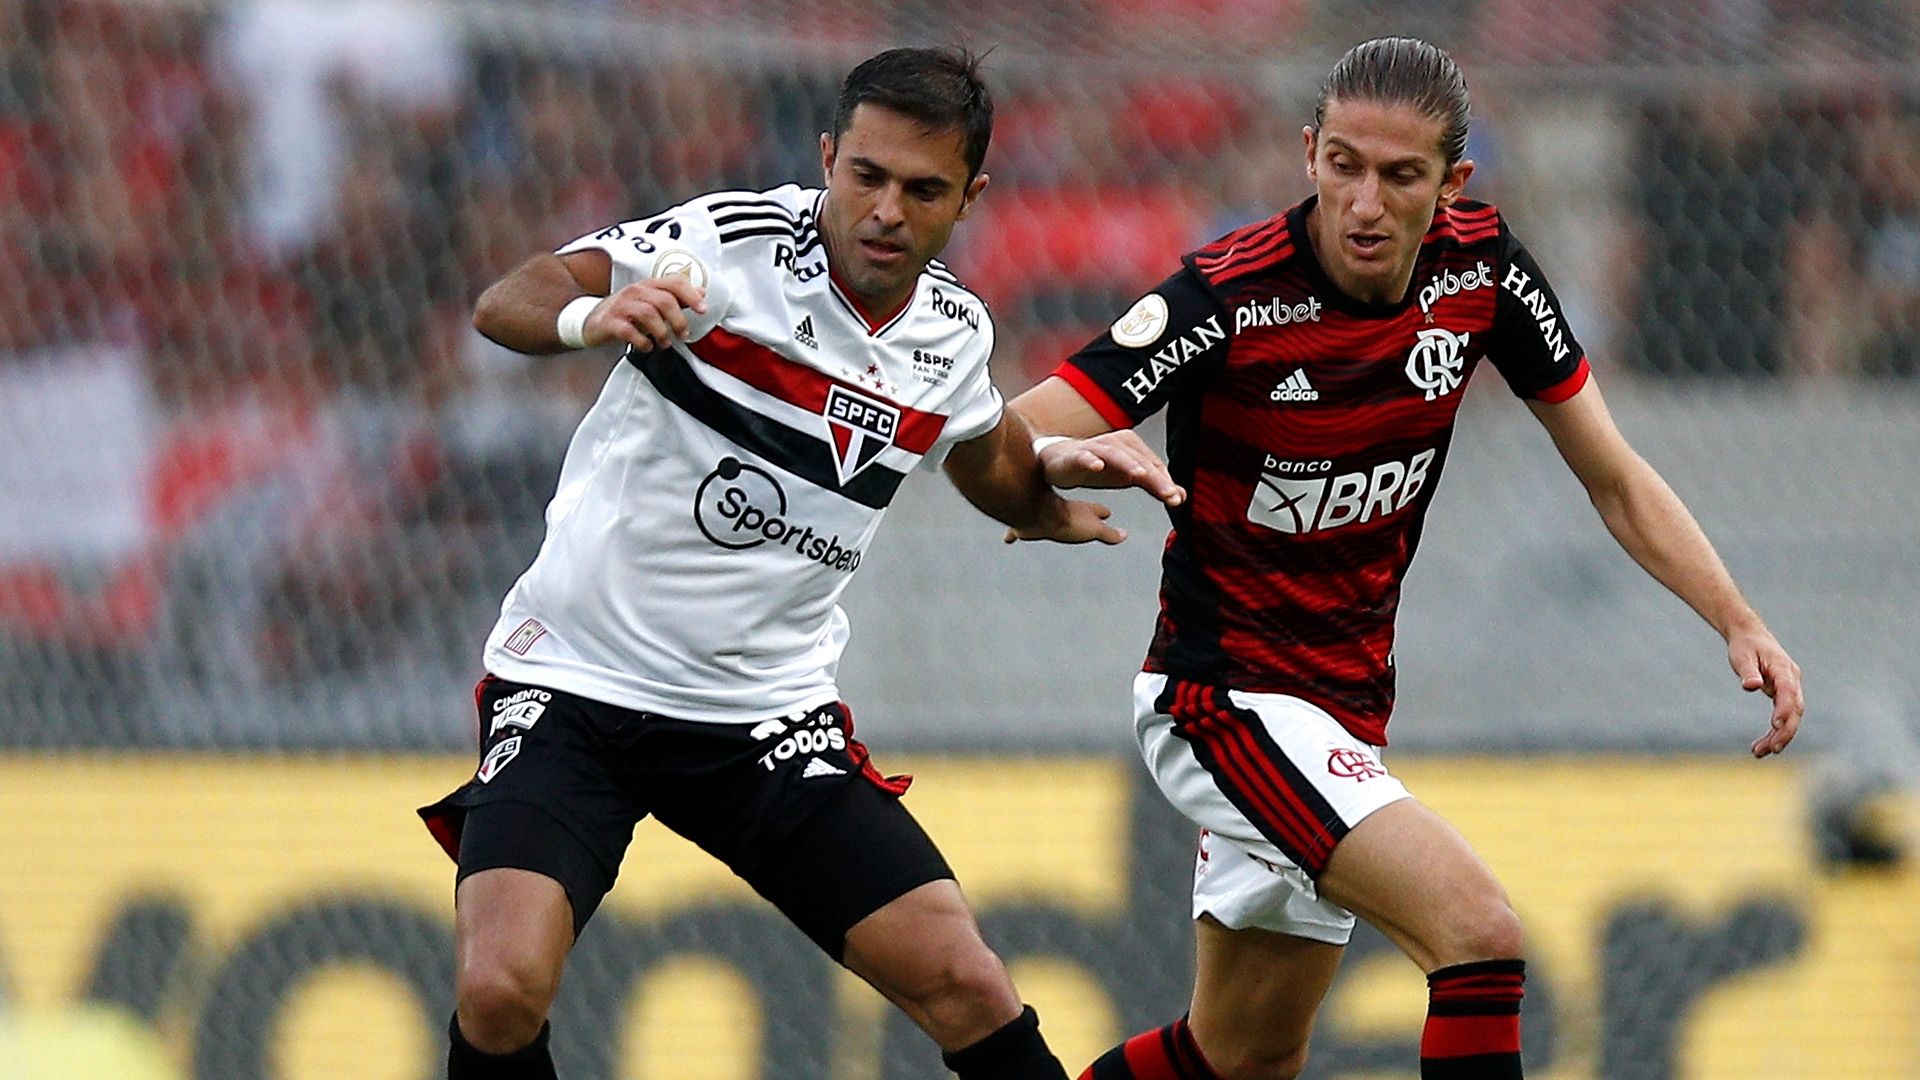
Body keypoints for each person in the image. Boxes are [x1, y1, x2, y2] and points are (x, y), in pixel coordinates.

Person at [1008, 37, 1806, 1080]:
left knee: (1240, 1056)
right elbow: (1011, 431)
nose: (1367, 202)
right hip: (1221, 699)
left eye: (1400, 175)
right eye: (1343, 165)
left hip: (1343, 711)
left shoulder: (1483, 273)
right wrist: (1052, 464)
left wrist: (1738, 618)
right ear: (1308, 154)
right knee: (1478, 932)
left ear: (1453, 181)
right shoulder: (1230, 295)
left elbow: (1613, 475)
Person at [417, 47, 1178, 1080]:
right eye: (864, 175)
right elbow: (511, 295)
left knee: (967, 985)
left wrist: (1045, 488)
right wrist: (588, 317)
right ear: (827, 155)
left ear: (970, 198)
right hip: (576, 686)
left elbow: (984, 456)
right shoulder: (725, 248)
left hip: (761, 722)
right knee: (500, 989)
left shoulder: (951, 333)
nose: (885, 211)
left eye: (923, 190)